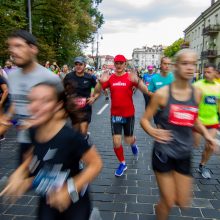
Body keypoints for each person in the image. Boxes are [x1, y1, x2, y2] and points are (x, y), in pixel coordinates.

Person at [0, 82, 103, 220]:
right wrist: (20, 173)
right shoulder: (32, 131)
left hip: (74, 199)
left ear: (58, 106)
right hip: (48, 196)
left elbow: (96, 164)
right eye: (32, 100)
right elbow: (31, 156)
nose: (36, 106)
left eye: (45, 101)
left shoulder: (71, 137)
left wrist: (69, 190)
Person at [140, 49, 217, 220]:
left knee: (183, 203)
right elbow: (144, 119)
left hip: (184, 152)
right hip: (164, 153)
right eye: (185, 63)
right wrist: (152, 131)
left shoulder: (197, 93)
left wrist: (208, 136)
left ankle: (161, 205)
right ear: (176, 66)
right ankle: (162, 208)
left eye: (193, 64)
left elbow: (194, 118)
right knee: (168, 201)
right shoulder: (163, 94)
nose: (190, 68)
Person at [0, 29, 61, 163]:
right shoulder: (13, 77)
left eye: (18, 46)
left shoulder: (50, 78)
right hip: (25, 143)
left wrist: (37, 122)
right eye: (11, 47)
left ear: (33, 49)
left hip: (48, 143)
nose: (13, 51)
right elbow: (16, 101)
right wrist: (7, 117)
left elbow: (63, 112)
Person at [95, 54, 149, 177]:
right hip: (115, 115)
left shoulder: (130, 77)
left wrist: (138, 80)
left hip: (129, 114)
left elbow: (145, 91)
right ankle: (122, 163)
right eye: (117, 63)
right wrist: (100, 81)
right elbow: (97, 91)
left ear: (125, 64)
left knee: (128, 140)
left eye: (121, 63)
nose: (119, 65)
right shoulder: (111, 78)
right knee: (116, 141)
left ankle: (133, 143)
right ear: (114, 64)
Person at [193, 63, 220, 179]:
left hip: (212, 121)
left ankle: (202, 165)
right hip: (198, 121)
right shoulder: (197, 85)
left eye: (209, 72)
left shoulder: (218, 87)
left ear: (215, 73)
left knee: (209, 146)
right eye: (205, 72)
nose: (206, 74)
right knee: (195, 144)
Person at [63, 56, 99, 137]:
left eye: (80, 64)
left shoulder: (90, 77)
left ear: (84, 65)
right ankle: (79, 145)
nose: (78, 66)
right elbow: (62, 89)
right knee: (76, 132)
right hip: (73, 108)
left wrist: (94, 97)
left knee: (83, 131)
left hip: (85, 108)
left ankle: (84, 142)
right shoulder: (69, 76)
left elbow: (98, 90)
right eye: (76, 64)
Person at [148, 57, 174, 125]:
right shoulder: (155, 78)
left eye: (169, 64)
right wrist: (158, 97)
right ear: (161, 65)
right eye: (165, 63)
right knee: (160, 131)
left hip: (171, 110)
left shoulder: (174, 77)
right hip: (158, 109)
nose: (167, 66)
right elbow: (149, 91)